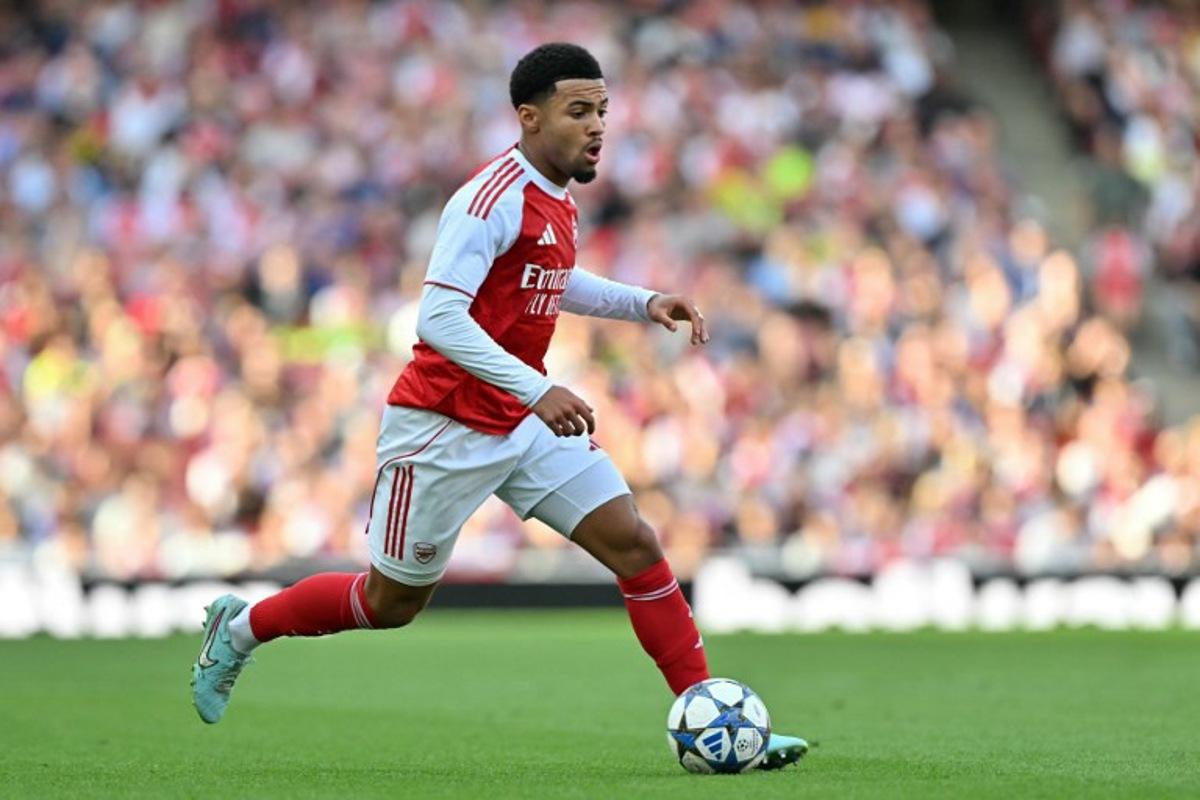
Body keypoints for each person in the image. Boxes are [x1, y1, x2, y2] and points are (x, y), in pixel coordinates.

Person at [191, 42, 807, 769]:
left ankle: (717, 723)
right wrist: (538, 388)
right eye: (578, 111)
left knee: (635, 544)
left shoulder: (557, 197)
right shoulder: (487, 200)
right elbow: (438, 318)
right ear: (529, 117)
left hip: (519, 420)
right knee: (390, 604)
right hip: (442, 426)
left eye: (602, 110)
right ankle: (241, 629)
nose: (597, 125)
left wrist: (642, 303)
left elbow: (554, 278)